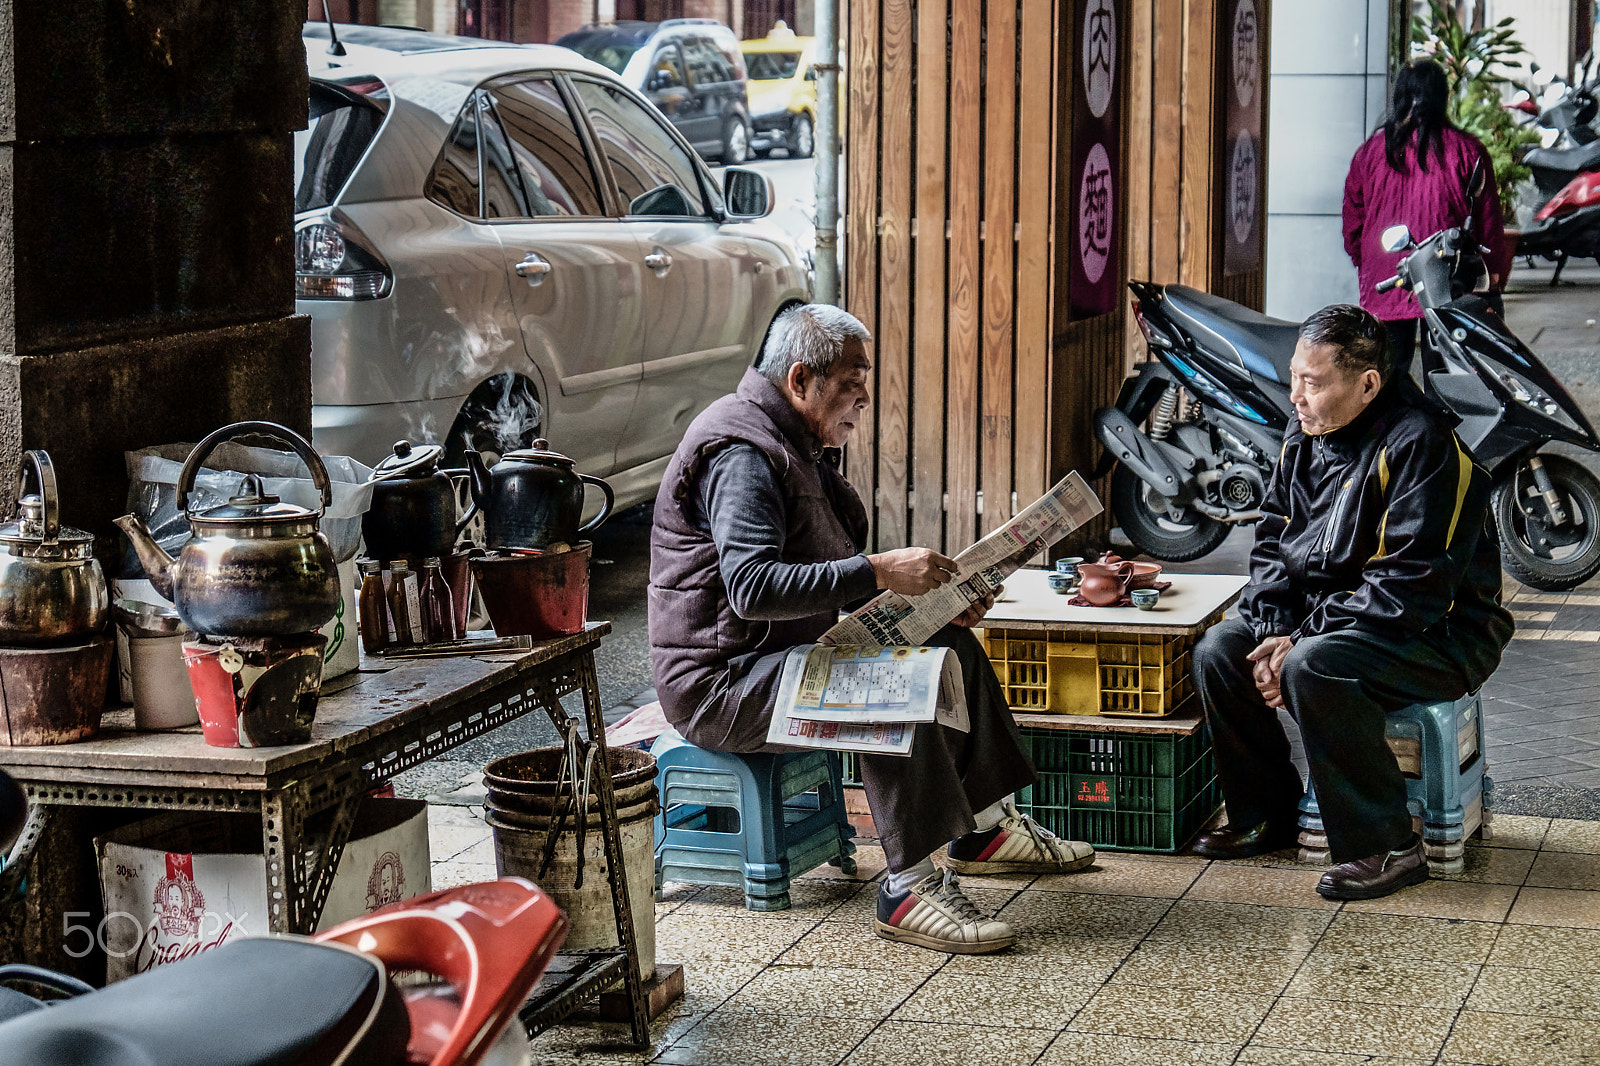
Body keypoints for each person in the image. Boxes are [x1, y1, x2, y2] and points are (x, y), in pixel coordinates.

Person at [648, 303, 1094, 954]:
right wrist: (880, 570)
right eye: (851, 382)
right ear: (800, 381)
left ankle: (987, 830)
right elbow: (750, 589)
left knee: (949, 645)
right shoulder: (741, 450)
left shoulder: (795, 443)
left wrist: (934, 601)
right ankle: (908, 887)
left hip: (783, 657)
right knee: (894, 683)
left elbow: (824, 574)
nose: (864, 397)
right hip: (724, 682)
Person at [1191, 304, 1512, 901]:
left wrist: (1300, 639)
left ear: (1367, 384)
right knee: (1220, 650)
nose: (1296, 397)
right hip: (1331, 621)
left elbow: (1411, 589)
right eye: (1294, 378)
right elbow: (1272, 538)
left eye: (1311, 383)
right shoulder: (1304, 434)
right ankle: (1267, 814)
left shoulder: (1423, 446)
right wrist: (1272, 627)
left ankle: (1387, 844)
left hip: (1436, 637)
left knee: (1316, 664)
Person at [1342, 58, 1510, 378]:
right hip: (1446, 280)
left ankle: (1398, 428)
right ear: (1443, 98)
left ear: (1399, 98)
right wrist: (1495, 272)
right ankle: (1442, 427)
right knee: (1449, 377)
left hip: (1385, 277)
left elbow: (1353, 217)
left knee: (1387, 378)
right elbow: (1488, 220)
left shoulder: (1370, 153)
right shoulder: (1467, 150)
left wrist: (1363, 258)